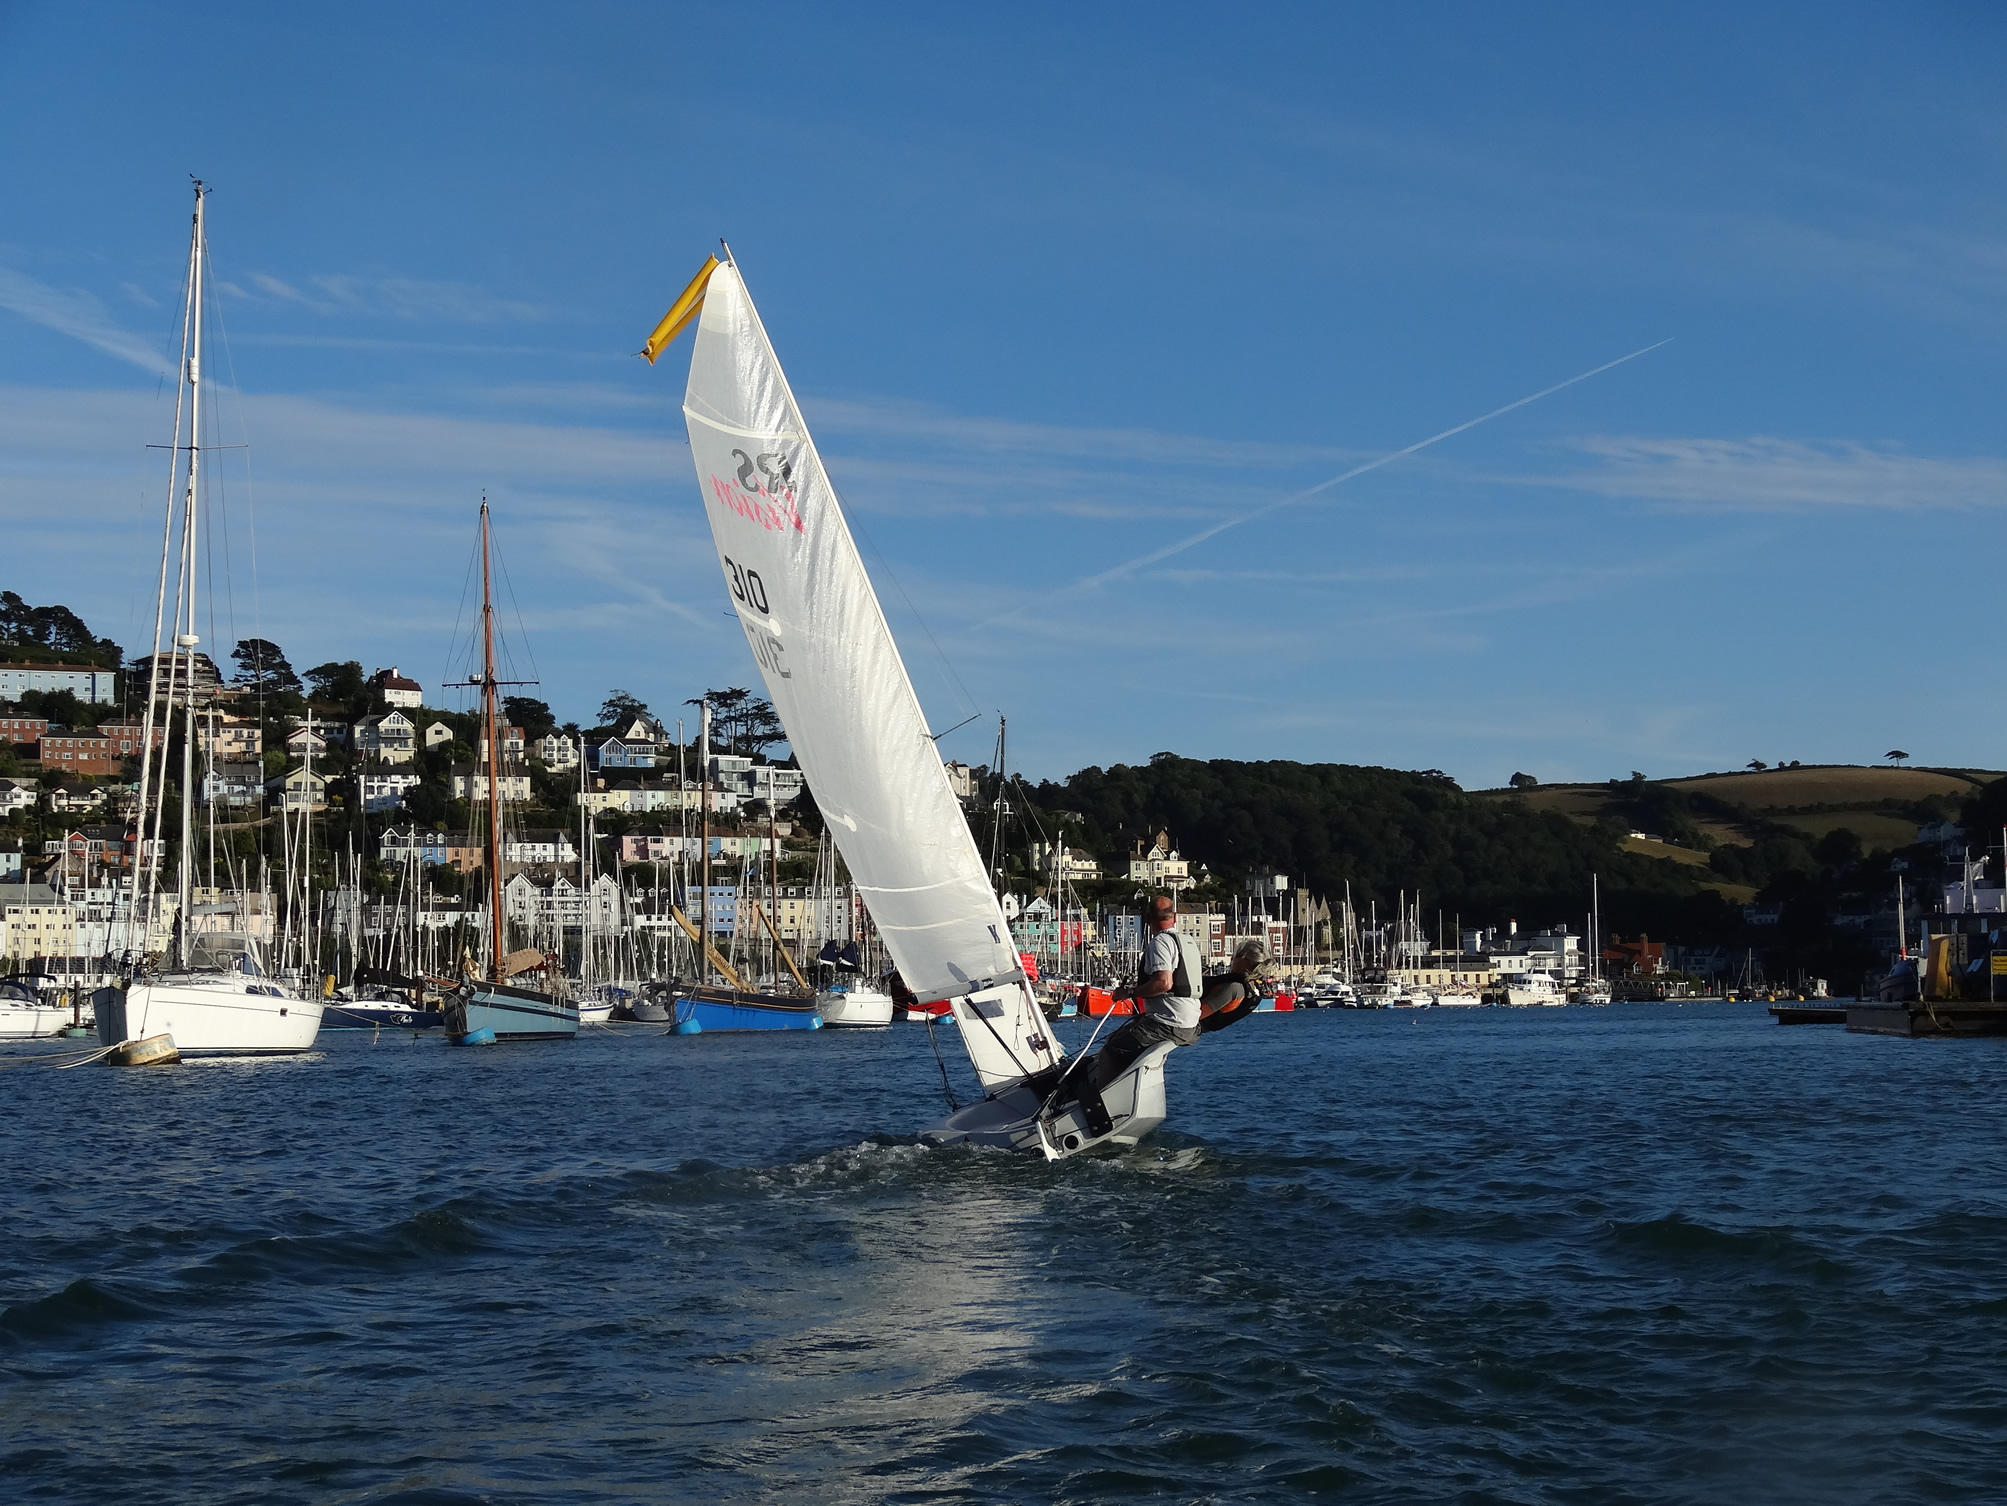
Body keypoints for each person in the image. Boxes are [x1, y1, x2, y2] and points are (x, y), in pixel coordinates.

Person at [1073, 893, 1205, 1135]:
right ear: (1174, 917)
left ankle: (1101, 1112)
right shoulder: (1187, 942)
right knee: (1128, 1035)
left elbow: (1163, 983)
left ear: (1147, 919)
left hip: (1168, 1022)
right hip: (1190, 1024)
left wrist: (1130, 993)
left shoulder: (1160, 943)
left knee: (1111, 1049)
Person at [1197, 939, 1273, 1034]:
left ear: (1247, 962)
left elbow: (1195, 1015)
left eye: (1237, 956)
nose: (1233, 960)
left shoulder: (1235, 989)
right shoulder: (1251, 992)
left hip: (1183, 1027)